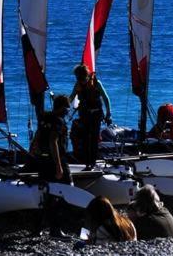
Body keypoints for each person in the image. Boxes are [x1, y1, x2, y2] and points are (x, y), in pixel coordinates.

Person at [28, 94, 72, 237]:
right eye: (67, 107)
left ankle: (37, 228)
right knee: (66, 191)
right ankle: (55, 228)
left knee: (45, 193)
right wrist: (59, 166)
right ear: (62, 107)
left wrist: (32, 152)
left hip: (43, 161)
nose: (68, 110)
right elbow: (53, 143)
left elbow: (38, 136)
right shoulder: (58, 121)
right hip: (55, 161)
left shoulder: (44, 118)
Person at [69, 64, 112, 169]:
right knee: (84, 139)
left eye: (81, 78)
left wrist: (108, 114)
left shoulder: (96, 83)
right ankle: (86, 162)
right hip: (84, 115)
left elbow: (106, 98)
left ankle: (92, 163)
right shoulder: (78, 84)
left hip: (96, 115)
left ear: (86, 75)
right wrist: (62, 106)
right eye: (78, 78)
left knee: (93, 139)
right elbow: (71, 97)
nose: (80, 80)